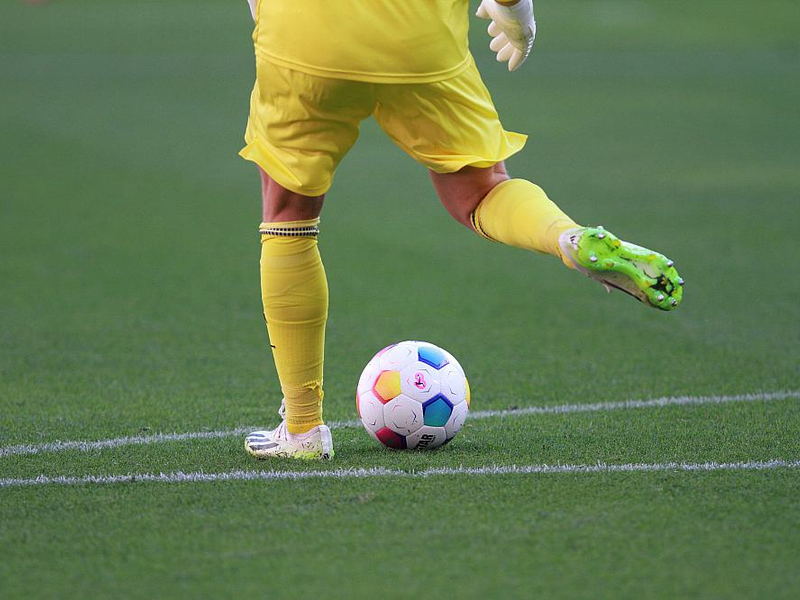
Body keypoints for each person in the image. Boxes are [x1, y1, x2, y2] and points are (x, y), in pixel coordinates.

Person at [241, 0, 683, 460]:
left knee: (289, 218)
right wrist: (518, 17)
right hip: (418, 41)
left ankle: (303, 427)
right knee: (482, 190)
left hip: (303, 39)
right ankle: (566, 237)